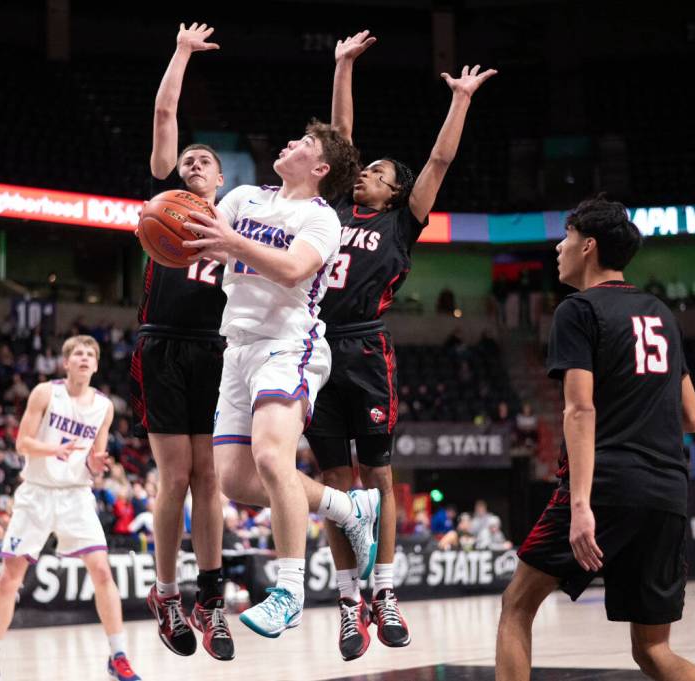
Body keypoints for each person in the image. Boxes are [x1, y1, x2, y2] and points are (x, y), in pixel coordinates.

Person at [306, 29, 496, 660]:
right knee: (335, 482)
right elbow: (339, 138)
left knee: (378, 475)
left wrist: (461, 100)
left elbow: (438, 164)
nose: (365, 175)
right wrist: (341, 66)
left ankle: (384, 592)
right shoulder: (331, 206)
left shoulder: (400, 221)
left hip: (364, 350)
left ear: (395, 190)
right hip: (314, 348)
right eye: (365, 170)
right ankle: (346, 602)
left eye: (378, 173)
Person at [182, 117, 380, 640]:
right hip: (238, 347)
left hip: (291, 344)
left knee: (273, 457)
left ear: (320, 168)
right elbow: (203, 239)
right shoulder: (244, 197)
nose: (289, 140)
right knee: (235, 481)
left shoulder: (322, 219)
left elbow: (293, 269)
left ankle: (289, 593)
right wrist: (175, 226)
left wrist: (231, 242)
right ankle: (347, 506)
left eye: (305, 143)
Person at [495, 196, 695, 681]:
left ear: (588, 246)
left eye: (566, 237)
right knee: (654, 650)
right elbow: (692, 416)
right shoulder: (661, 313)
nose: (558, 246)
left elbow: (580, 408)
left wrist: (581, 505)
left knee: (517, 604)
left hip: (608, 485)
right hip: (667, 491)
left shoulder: (579, 310)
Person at [132, 22, 233, 662]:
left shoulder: (240, 224)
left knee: (210, 478)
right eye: (187, 160)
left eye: (204, 162)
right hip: (163, 342)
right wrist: (180, 52)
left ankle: (211, 597)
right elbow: (166, 110)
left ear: (221, 179)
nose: (192, 165)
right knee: (176, 477)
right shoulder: (165, 201)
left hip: (216, 350)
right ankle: (166, 591)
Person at [0, 336, 139, 681]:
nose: (84, 358)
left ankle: (118, 657)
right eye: (78, 353)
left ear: (96, 366)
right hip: (37, 492)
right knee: (10, 577)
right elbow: (22, 442)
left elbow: (94, 460)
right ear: (66, 363)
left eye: (90, 355)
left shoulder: (104, 406)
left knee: (102, 571)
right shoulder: (45, 393)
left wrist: (98, 464)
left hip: (76, 494)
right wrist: (52, 450)